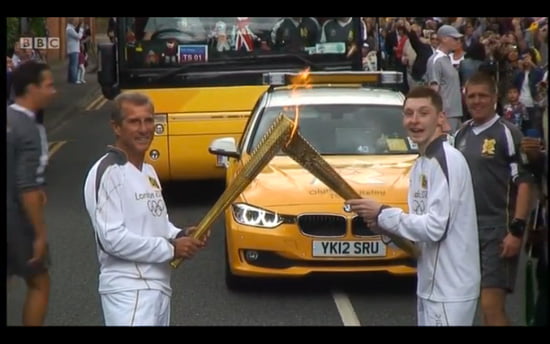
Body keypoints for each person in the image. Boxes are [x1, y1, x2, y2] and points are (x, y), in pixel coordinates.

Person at [347, 86, 480, 326]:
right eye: (409, 113)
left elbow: (435, 228)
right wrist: (385, 229)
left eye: (423, 113)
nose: (415, 120)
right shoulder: (421, 164)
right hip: (430, 285)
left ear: (440, 118)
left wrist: (383, 213)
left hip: (451, 289)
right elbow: (419, 238)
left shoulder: (446, 160)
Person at [83, 92, 210, 326]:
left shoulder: (148, 172)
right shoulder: (109, 171)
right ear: (116, 127)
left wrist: (180, 235)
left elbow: (156, 223)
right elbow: (110, 239)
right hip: (128, 290)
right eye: (134, 121)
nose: (144, 128)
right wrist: (171, 248)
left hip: (158, 287)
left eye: (149, 120)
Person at [454, 72, 534, 326]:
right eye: (472, 96)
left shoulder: (507, 133)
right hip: (466, 232)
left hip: (497, 229)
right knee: (473, 306)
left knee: (492, 306)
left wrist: (516, 229)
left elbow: (523, 182)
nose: (477, 101)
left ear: (494, 99)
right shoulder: (461, 134)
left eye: (483, 96)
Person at [7, 61, 56, 326]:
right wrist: (39, 234)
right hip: (15, 221)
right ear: (30, 89)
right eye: (48, 85)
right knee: (39, 283)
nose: (54, 91)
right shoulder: (30, 129)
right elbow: (27, 187)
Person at [426, 25, 464, 133]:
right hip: (446, 114)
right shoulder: (435, 60)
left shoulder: (447, 59)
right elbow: (434, 90)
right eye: (455, 39)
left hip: (456, 112)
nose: (458, 41)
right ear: (444, 39)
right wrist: (440, 116)